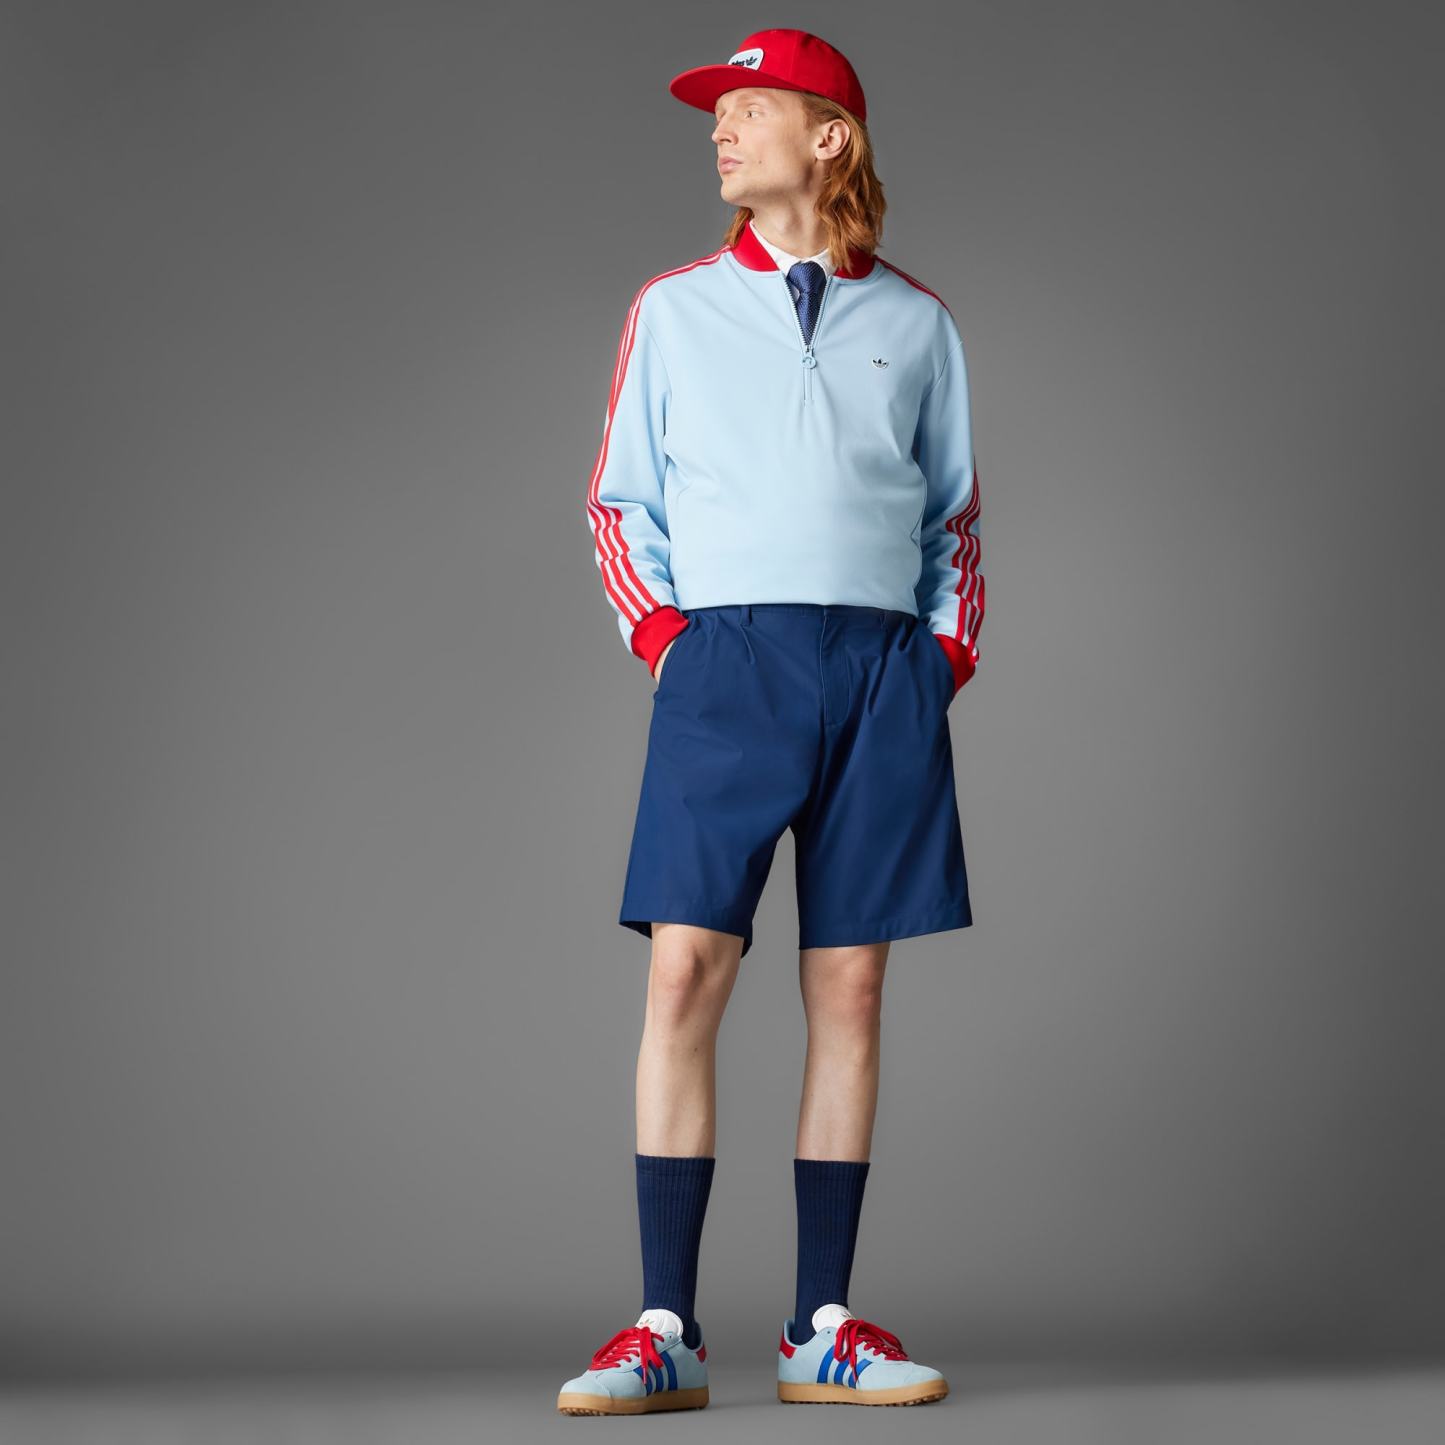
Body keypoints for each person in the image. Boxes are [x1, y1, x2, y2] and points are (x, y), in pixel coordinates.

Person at [560, 27, 983, 1415]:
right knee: (686, 970)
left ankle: (820, 1326)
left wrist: (936, 661)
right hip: (724, 666)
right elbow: (621, 502)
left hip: (878, 672)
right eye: (718, 113)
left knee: (848, 986)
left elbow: (953, 519)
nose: (719, 130)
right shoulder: (674, 310)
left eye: (749, 108)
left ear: (829, 137)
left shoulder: (919, 325)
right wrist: (671, 645)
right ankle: (664, 1327)